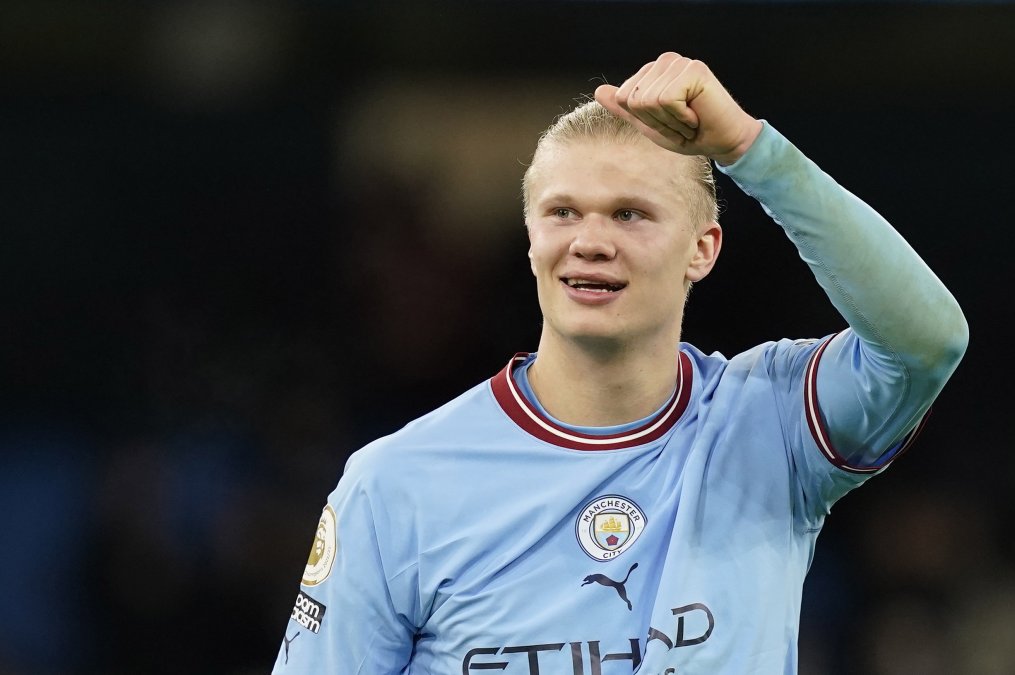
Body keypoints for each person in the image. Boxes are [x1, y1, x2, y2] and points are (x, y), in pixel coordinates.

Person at [273, 52, 968, 674]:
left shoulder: (768, 422)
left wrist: (750, 150)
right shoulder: (396, 484)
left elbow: (925, 342)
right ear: (530, 238)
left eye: (630, 214)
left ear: (704, 247)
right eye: (563, 212)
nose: (590, 241)